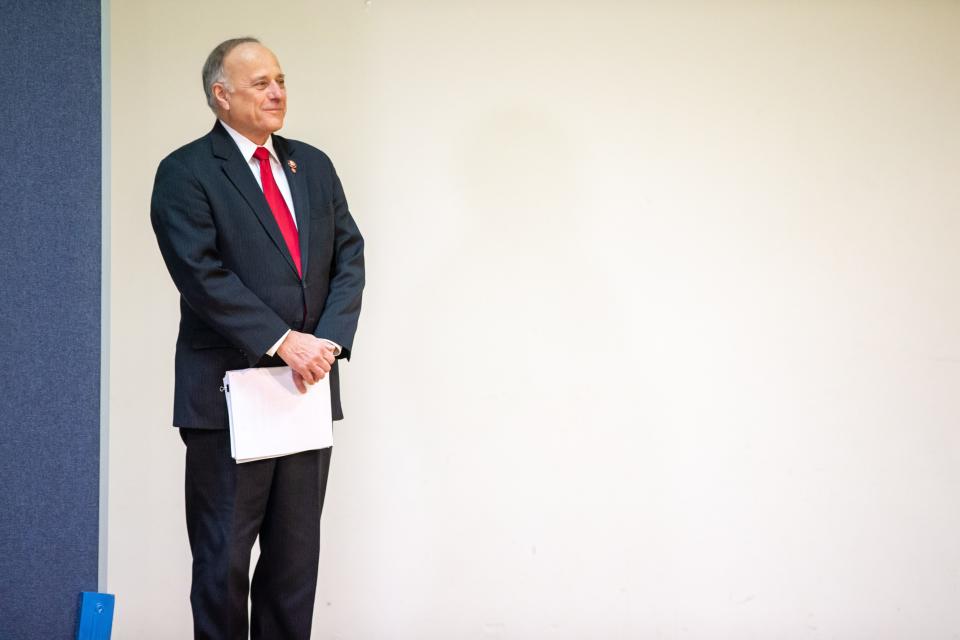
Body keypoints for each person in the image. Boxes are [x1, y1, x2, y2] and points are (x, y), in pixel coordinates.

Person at [150, 37, 364, 640]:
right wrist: (281, 339)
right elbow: (200, 272)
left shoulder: (313, 165)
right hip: (229, 397)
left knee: (295, 566)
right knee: (223, 566)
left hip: (304, 387)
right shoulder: (186, 171)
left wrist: (326, 341)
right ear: (221, 96)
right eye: (260, 83)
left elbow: (350, 255)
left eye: (281, 80)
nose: (277, 93)